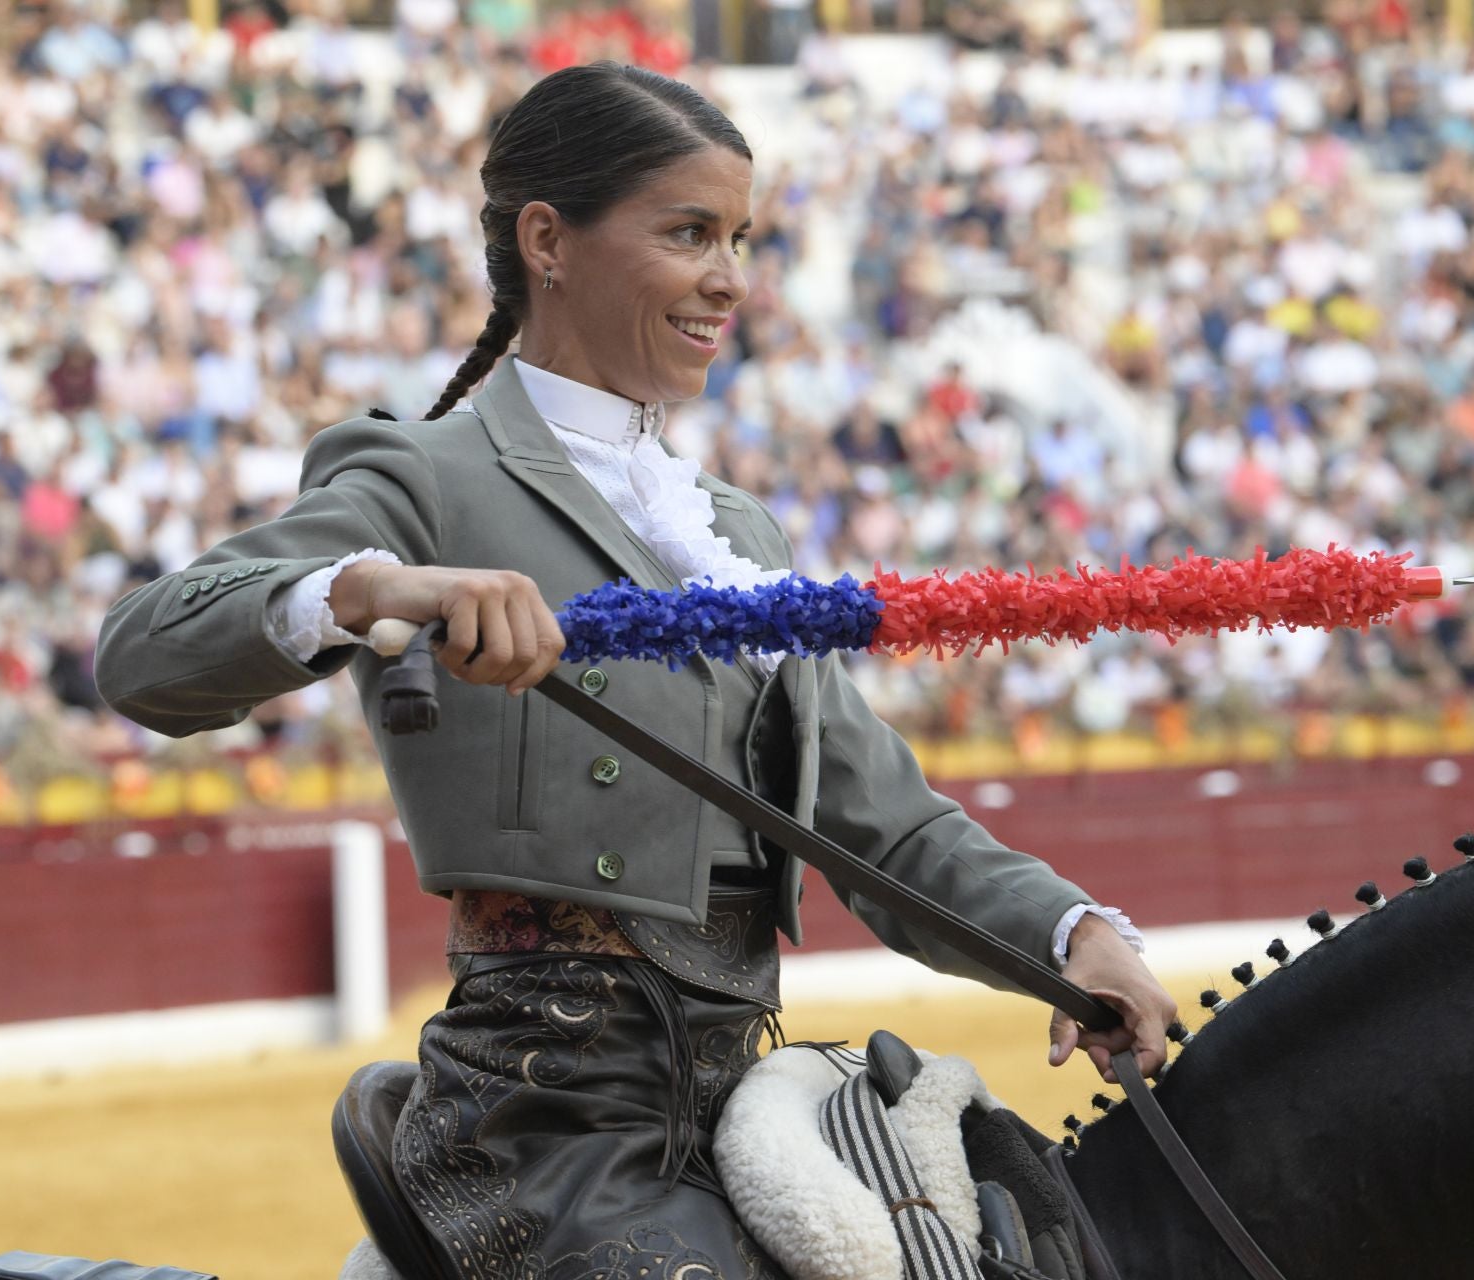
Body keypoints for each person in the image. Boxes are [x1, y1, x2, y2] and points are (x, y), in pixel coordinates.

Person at [94, 62, 1176, 1279]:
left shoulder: (736, 531)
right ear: (548, 241)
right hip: (545, 1115)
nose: (731, 278)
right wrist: (369, 589)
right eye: (690, 233)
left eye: (741, 238)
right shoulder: (429, 478)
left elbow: (880, 822)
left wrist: (1071, 931)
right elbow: (144, 650)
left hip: (742, 1101)